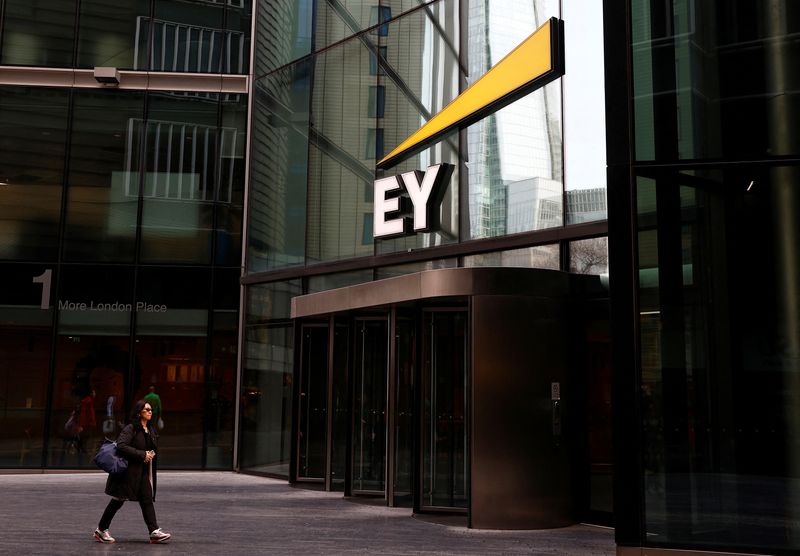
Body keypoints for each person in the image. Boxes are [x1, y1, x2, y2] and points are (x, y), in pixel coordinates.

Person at [93, 400, 171, 544]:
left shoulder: (150, 429)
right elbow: (121, 445)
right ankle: (101, 530)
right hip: (126, 472)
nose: (150, 412)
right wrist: (142, 454)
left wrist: (150, 454)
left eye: (151, 410)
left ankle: (154, 532)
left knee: (147, 499)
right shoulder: (131, 428)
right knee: (118, 500)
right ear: (139, 412)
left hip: (141, 472)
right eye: (146, 409)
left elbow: (150, 447)